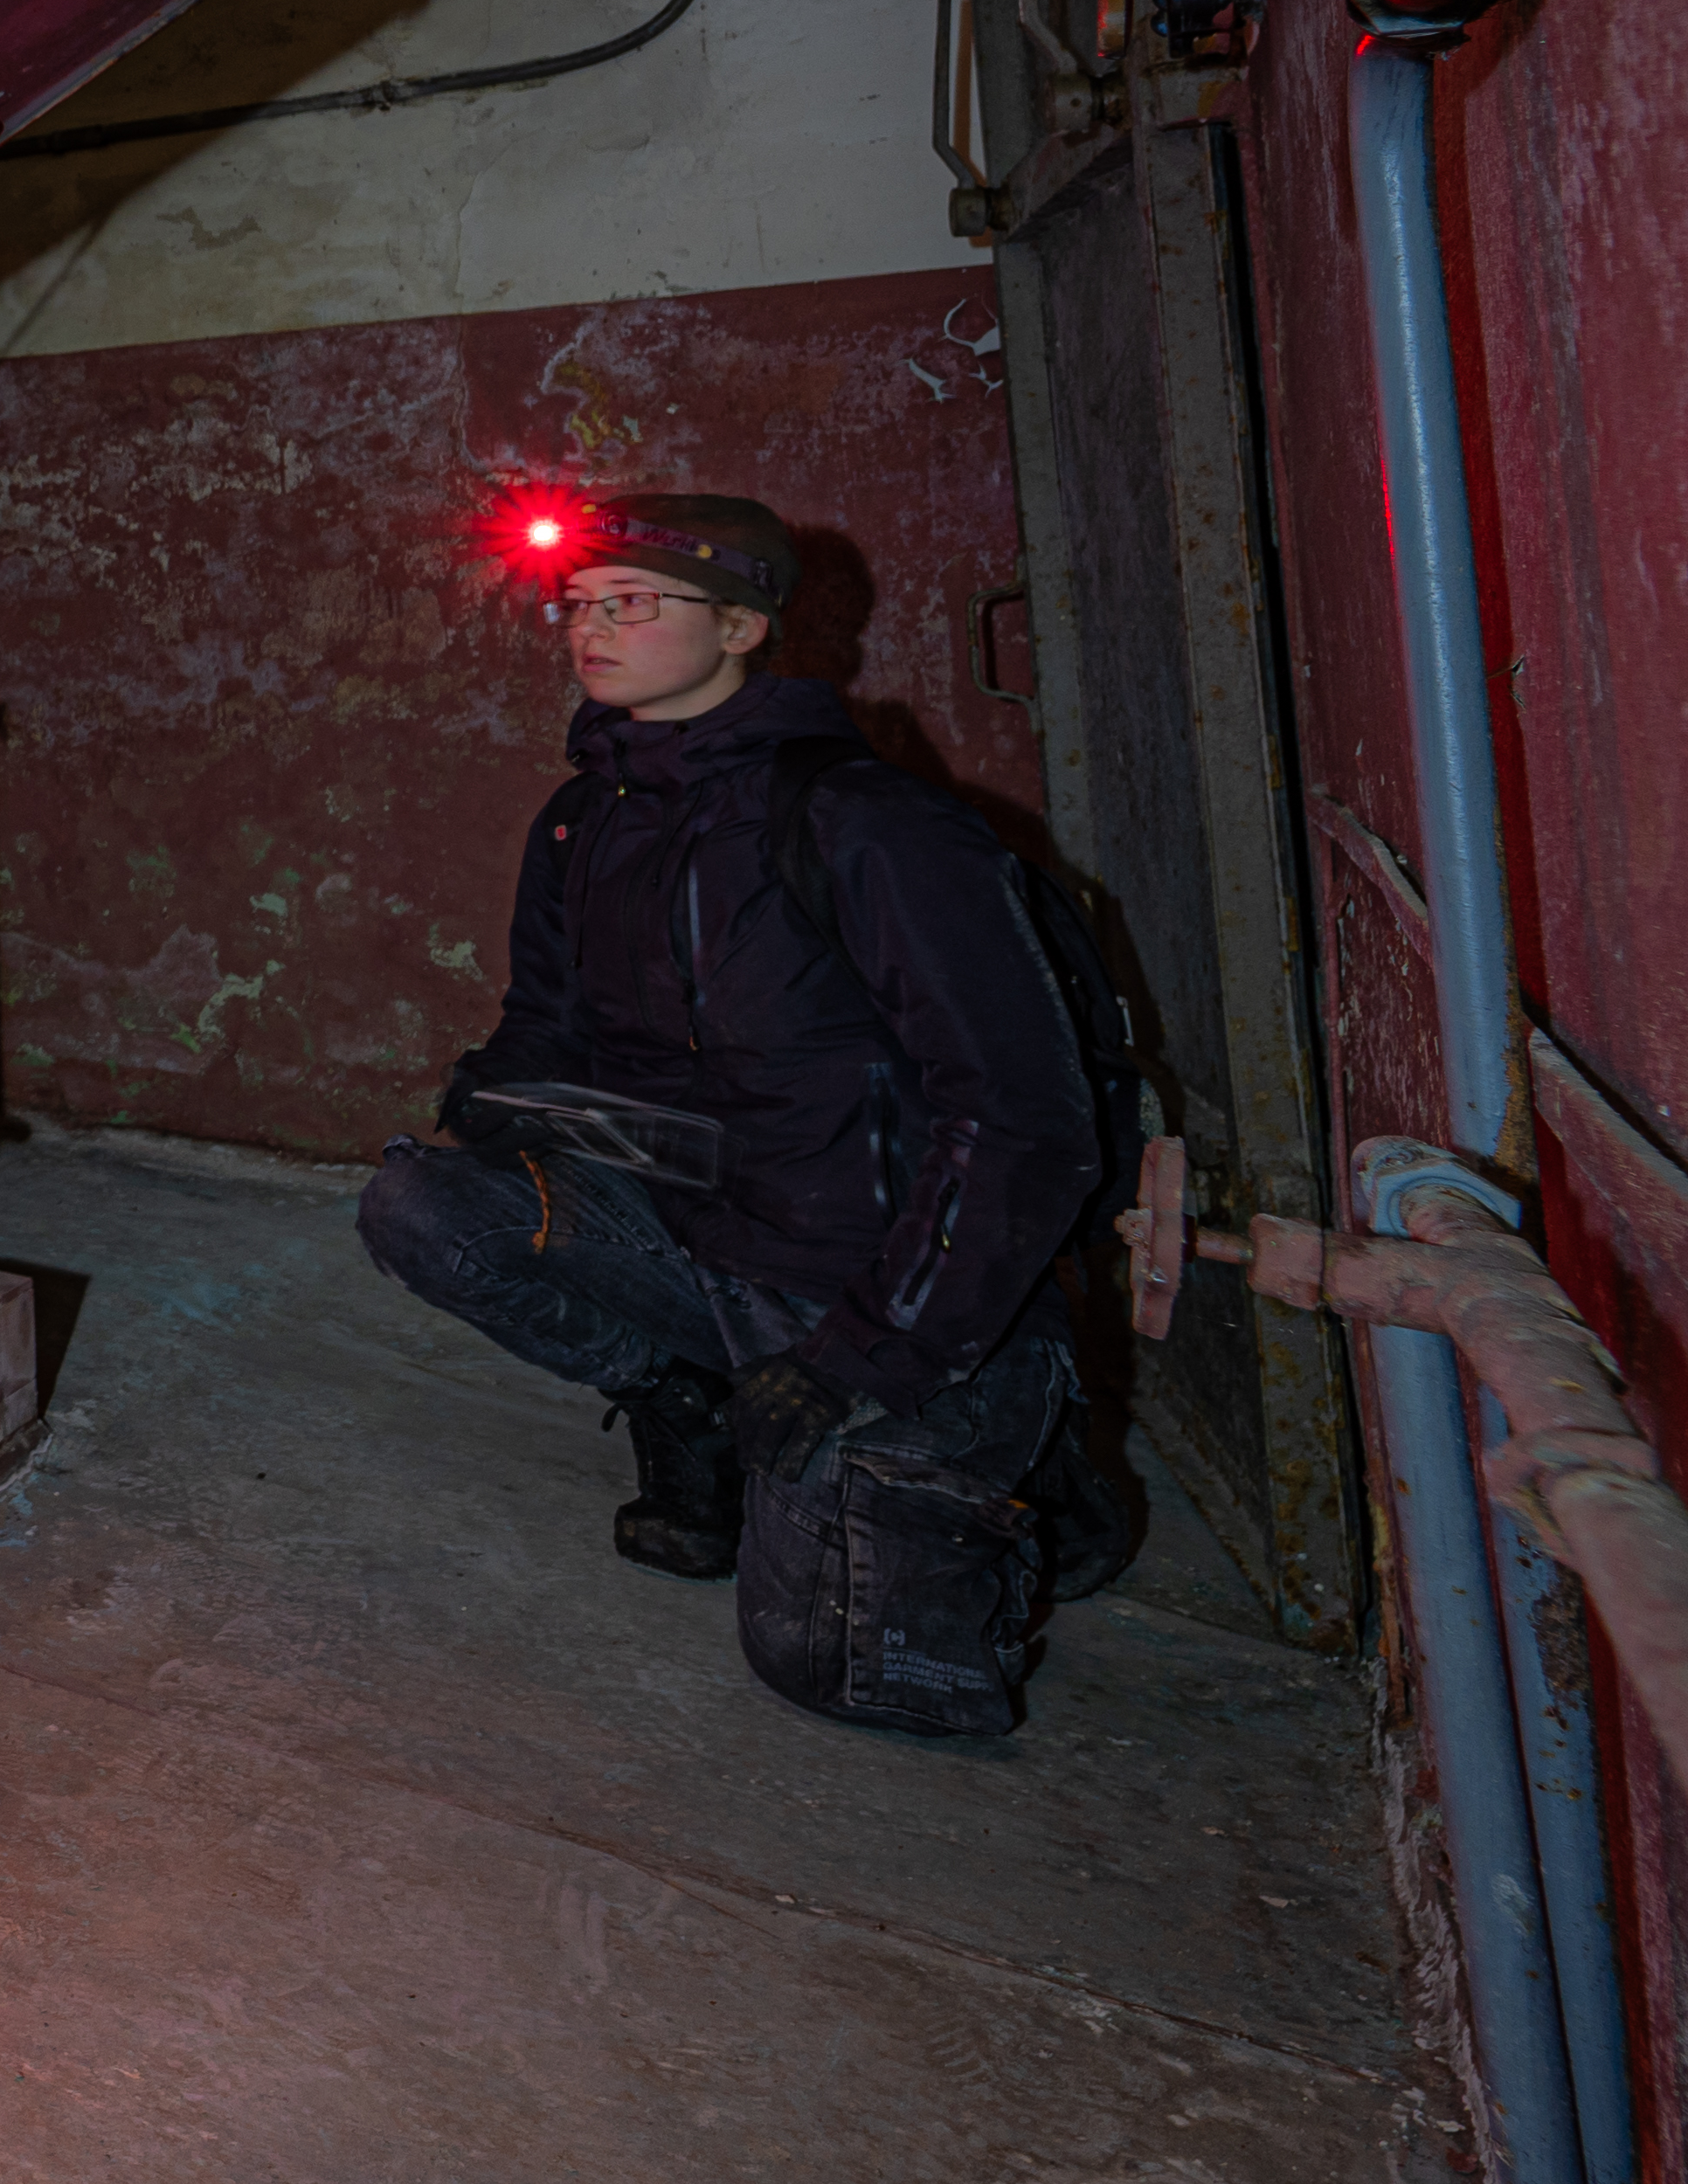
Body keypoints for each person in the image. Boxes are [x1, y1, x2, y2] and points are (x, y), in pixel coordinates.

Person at [356, 492, 1121, 1735]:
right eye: (580, 606)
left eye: (634, 604)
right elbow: (548, 1021)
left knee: (836, 1674)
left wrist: (859, 1361)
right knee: (424, 1207)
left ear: (746, 628)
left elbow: (1026, 1122)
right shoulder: (582, 820)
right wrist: (498, 1090)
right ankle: (693, 1400)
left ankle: (1029, 1473)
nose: (592, 629)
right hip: (703, 1236)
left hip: (867, 1282)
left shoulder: (869, 824)